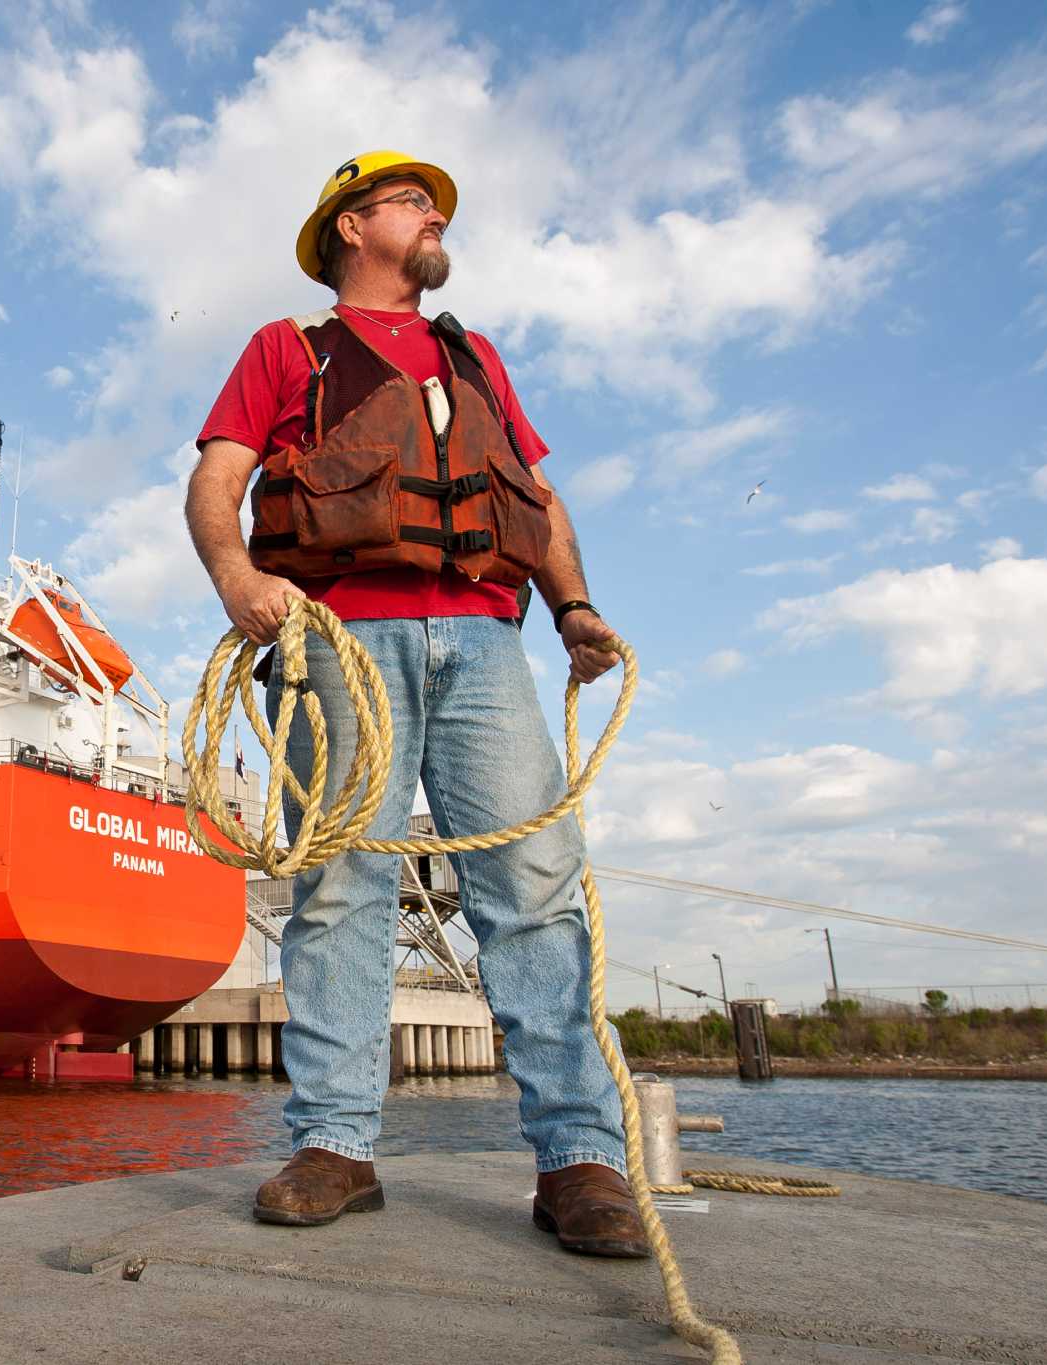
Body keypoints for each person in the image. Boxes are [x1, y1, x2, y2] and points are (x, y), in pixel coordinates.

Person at [183, 150, 648, 1258]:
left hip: (487, 646)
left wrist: (573, 608)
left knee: (534, 890)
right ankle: (334, 1147)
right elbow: (217, 476)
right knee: (341, 887)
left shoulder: (474, 355)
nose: (435, 214)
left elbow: (534, 499)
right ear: (351, 228)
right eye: (409, 202)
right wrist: (239, 581)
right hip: (340, 638)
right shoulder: (283, 348)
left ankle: (578, 1162)